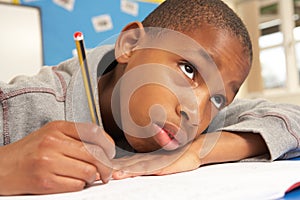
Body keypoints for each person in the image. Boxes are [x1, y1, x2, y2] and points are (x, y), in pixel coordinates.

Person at [0, 0, 300, 195]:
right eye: (189, 69)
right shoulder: (22, 106)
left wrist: (198, 152)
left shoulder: (200, 122)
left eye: (219, 99)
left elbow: (293, 117)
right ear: (130, 44)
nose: (195, 111)